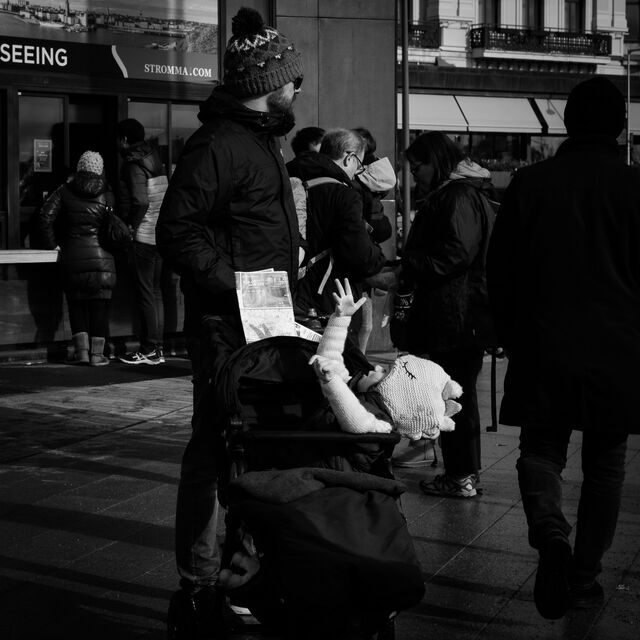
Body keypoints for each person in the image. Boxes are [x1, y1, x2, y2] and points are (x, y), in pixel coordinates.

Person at [155, 6, 303, 636]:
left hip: (266, 318)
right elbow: (176, 232)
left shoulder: (261, 140)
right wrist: (238, 283)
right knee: (215, 449)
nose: (298, 88)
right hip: (226, 324)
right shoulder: (219, 144)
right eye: (293, 78)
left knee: (254, 449)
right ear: (267, 84)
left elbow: (249, 226)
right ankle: (198, 584)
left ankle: (239, 577)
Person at [486, 76, 640, 620]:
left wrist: (506, 333)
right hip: (620, 348)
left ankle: (551, 533)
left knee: (541, 449)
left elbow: (501, 269)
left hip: (543, 340)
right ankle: (584, 575)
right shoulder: (635, 186)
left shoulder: (531, 184)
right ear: (620, 126)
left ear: (568, 123)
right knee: (606, 464)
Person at [400, 131, 497, 497]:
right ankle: (463, 474)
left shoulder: (457, 196)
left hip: (456, 315)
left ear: (436, 161)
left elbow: (455, 254)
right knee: (457, 395)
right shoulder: (463, 194)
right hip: (459, 313)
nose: (415, 176)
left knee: (455, 396)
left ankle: (461, 476)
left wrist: (411, 263)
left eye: (417, 167)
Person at [288, 127, 386, 329]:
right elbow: (359, 254)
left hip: (290, 289)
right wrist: (378, 259)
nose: (357, 172)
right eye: (359, 164)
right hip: (330, 296)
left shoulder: (289, 178)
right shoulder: (343, 194)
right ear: (349, 158)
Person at [37, 151, 116, 367]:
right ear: (100, 170)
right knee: (99, 305)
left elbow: (45, 216)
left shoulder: (64, 190)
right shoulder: (107, 193)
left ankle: (81, 353)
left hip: (73, 256)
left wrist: (52, 244)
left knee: (76, 304)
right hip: (102, 258)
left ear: (80, 167)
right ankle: (97, 355)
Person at [116, 118, 168, 366]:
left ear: (125, 140)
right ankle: (157, 348)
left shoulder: (133, 164)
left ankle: (149, 348)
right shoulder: (155, 159)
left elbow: (140, 201)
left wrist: (130, 225)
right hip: (158, 234)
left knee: (146, 293)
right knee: (155, 292)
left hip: (143, 235)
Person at [350, 127, 396, 352]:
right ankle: (360, 359)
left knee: (362, 323)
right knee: (365, 324)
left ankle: (358, 360)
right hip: (369, 251)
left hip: (362, 255)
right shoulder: (375, 171)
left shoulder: (360, 176)